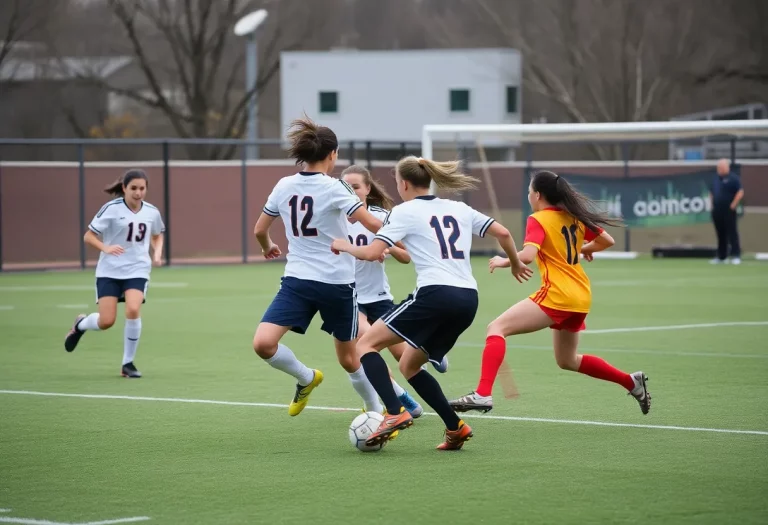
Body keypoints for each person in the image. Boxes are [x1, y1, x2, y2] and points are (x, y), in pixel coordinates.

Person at [331, 156, 532, 450]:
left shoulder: (405, 211)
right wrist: (514, 263)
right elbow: (502, 232)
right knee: (410, 366)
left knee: (365, 346)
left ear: (404, 184)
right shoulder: (459, 207)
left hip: (435, 294)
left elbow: (374, 252)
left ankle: (394, 413)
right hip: (468, 299)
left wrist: (343, 245)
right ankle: (456, 428)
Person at [449, 170, 651, 416]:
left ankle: (482, 394)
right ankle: (631, 382)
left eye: (529, 193)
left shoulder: (538, 219)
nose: (528, 197)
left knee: (496, 328)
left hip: (559, 294)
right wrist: (580, 248)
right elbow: (607, 240)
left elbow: (527, 256)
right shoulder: (572, 217)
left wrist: (506, 260)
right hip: (580, 296)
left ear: (538, 195)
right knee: (567, 360)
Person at [252, 116, 388, 417]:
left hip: (337, 285)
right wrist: (400, 237)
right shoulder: (336, 188)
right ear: (333, 154)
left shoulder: (286, 184)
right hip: (297, 281)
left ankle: (374, 411)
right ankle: (306, 377)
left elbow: (260, 230)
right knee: (265, 342)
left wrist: (267, 247)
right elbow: (372, 223)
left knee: (348, 359)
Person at [64, 169, 165, 378]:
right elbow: (88, 236)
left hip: (137, 269)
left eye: (142, 188)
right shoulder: (111, 209)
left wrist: (157, 254)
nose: (138, 193)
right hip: (109, 271)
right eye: (133, 188)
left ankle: (127, 364)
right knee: (106, 321)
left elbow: (157, 236)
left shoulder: (151, 212)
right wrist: (105, 248)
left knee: (133, 309)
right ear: (124, 188)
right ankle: (80, 324)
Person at [341, 165, 424, 418]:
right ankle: (397, 397)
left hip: (378, 296)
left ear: (367, 188)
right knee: (365, 347)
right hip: (350, 298)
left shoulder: (381, 217)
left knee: (403, 356)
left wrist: (386, 249)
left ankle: (430, 353)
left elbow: (406, 256)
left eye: (356, 186)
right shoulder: (333, 217)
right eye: (346, 187)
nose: (351, 192)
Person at [709, 158, 744, 265]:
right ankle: (722, 256)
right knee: (720, 233)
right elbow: (711, 192)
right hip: (717, 210)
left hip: (728, 210)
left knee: (732, 232)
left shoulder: (733, 178)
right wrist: (711, 205)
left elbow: (740, 192)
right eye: (718, 167)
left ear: (726, 167)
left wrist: (733, 205)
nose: (719, 169)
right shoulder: (715, 178)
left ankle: (736, 255)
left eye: (721, 167)